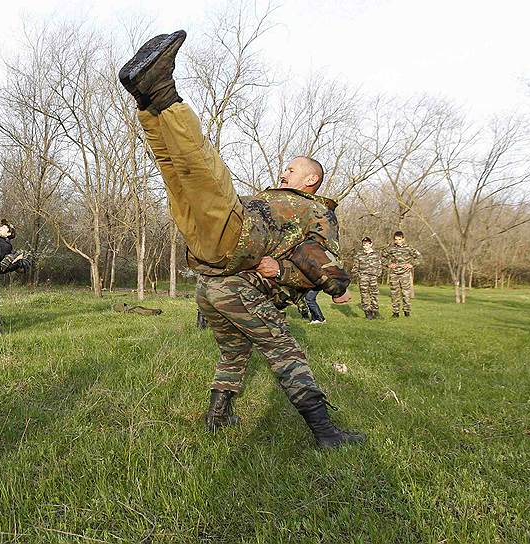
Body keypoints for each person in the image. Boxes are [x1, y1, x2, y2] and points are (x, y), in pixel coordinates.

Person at [119, 30, 364, 448]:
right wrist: (277, 265)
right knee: (179, 174)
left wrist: (283, 268)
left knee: (197, 174)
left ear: (312, 180)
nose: (284, 173)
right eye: (286, 169)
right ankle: (150, 101)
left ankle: (156, 97)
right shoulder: (276, 199)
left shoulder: (318, 209)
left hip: (226, 260)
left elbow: (324, 263)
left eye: (293, 170)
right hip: (219, 269)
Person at [382, 230, 421, 317]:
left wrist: (411, 264)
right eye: (396, 239)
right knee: (394, 293)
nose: (397, 241)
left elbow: (419, 257)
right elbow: (382, 257)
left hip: (405, 274)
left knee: (406, 294)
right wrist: (388, 264)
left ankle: (407, 312)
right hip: (394, 274)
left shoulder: (409, 248)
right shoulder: (390, 248)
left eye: (399, 239)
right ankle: (395, 312)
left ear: (403, 239)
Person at [351, 236, 383, 319]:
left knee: (374, 294)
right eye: (364, 244)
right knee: (364, 294)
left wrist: (378, 274)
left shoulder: (376, 254)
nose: (365, 246)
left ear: (371, 244)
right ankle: (367, 312)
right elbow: (355, 267)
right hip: (363, 277)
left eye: (367, 244)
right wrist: (359, 275)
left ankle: (375, 311)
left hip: (373, 277)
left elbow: (380, 265)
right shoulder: (359, 255)